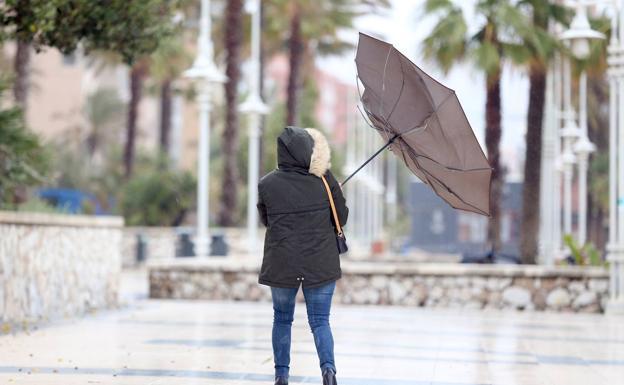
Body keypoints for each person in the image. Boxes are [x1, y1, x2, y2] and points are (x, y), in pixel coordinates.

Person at [257, 126, 348, 385]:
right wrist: (335, 192)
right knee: (320, 321)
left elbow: (267, 220)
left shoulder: (266, 184)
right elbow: (341, 218)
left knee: (282, 319)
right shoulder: (324, 180)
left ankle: (281, 375)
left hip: (282, 261)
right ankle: (328, 371)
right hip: (320, 262)